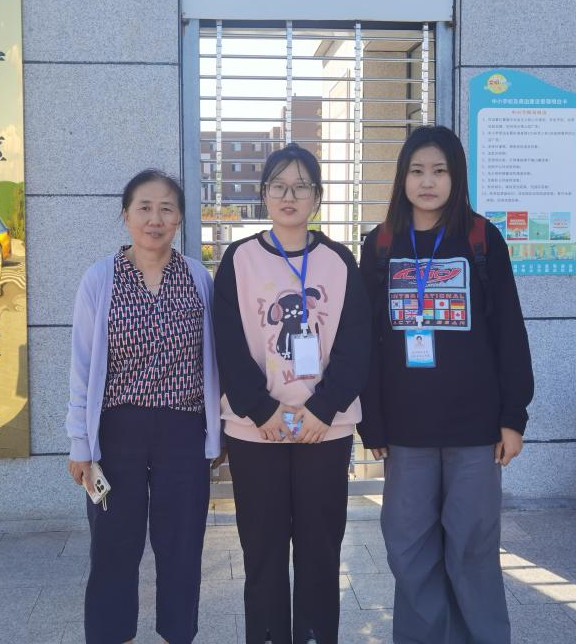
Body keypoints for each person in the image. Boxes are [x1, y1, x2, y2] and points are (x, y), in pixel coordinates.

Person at [357, 125, 534, 644]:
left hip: (476, 430)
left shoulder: (481, 239)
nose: (428, 182)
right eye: (417, 171)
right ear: (402, 178)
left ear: (457, 178)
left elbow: (509, 332)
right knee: (409, 549)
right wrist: (373, 422)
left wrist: (513, 417)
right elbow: (366, 341)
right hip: (406, 431)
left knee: (473, 550)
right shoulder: (381, 243)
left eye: (440, 171)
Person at [213, 143, 370, 644]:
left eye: (301, 186)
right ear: (263, 194)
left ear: (317, 197)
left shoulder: (339, 261)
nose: (289, 195)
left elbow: (356, 342)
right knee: (262, 552)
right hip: (255, 430)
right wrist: (261, 410)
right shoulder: (239, 259)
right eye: (278, 185)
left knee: (320, 551)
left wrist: (323, 408)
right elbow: (227, 343)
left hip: (325, 429)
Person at [65, 169, 222, 644]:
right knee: (113, 544)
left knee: (182, 544)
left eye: (166, 209)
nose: (155, 219)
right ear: (126, 216)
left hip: (183, 429)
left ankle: (178, 633)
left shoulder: (198, 279)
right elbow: (82, 365)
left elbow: (215, 360)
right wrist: (80, 443)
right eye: (145, 208)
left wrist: (219, 432)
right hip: (117, 432)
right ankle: (112, 635)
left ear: (180, 219)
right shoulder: (100, 279)